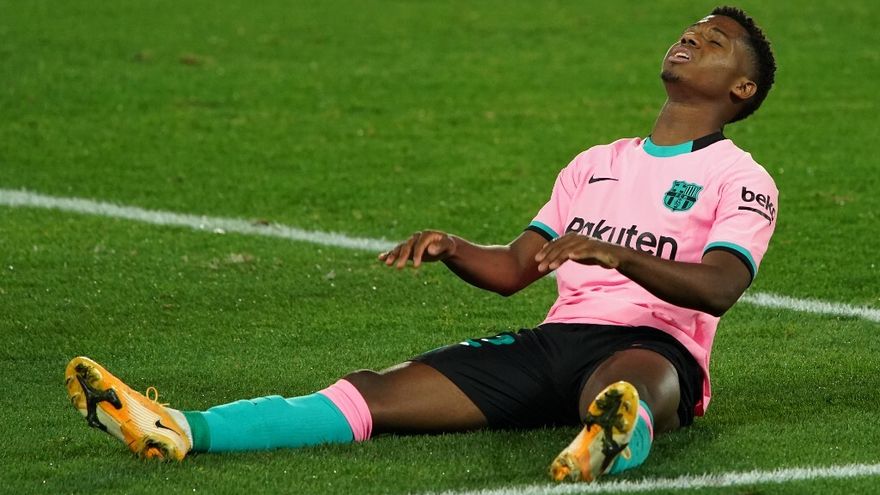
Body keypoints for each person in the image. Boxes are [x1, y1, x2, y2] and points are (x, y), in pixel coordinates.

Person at [65, 5, 778, 483]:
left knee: (627, 387)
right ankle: (181, 427)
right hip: (553, 342)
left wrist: (617, 254)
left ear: (742, 88)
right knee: (373, 392)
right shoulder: (596, 162)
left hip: (654, 346)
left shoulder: (739, 178)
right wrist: (453, 247)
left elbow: (720, 287)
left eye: (713, 42)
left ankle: (610, 438)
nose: (690, 39)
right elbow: (515, 269)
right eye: (689, 31)